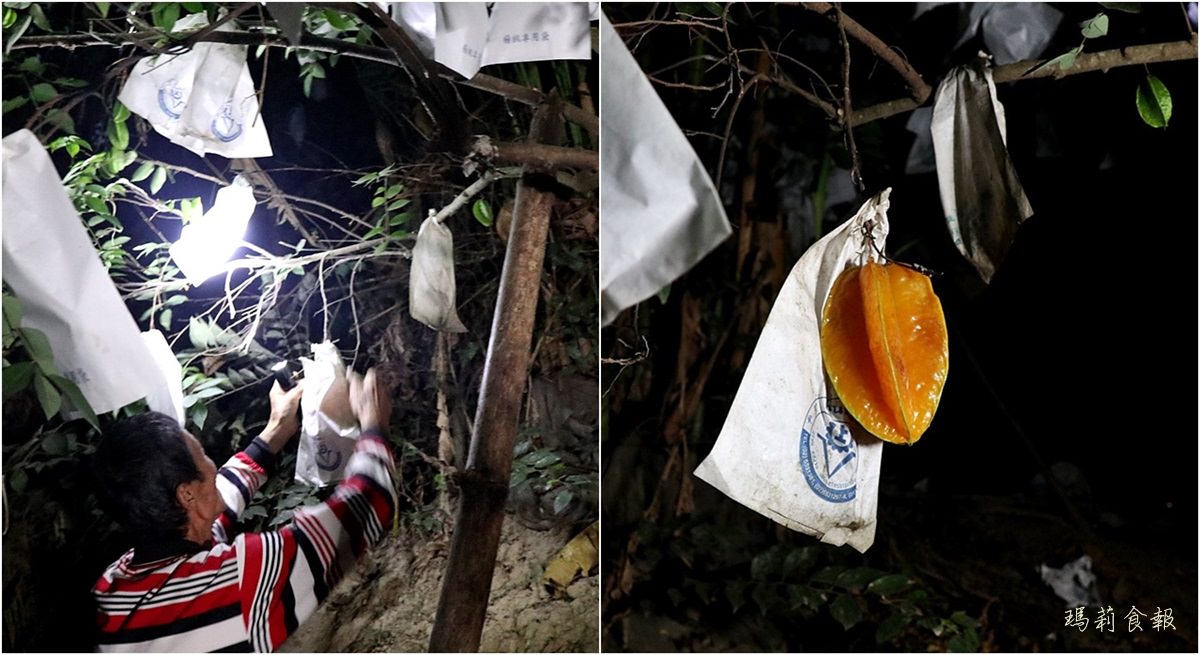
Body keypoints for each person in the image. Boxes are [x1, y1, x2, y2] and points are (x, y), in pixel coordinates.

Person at [91, 369, 396, 652]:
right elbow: (362, 508)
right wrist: (373, 424)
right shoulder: (242, 579)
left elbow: (220, 499)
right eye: (205, 457)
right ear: (186, 494)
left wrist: (277, 428)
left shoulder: (112, 584)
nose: (214, 466)